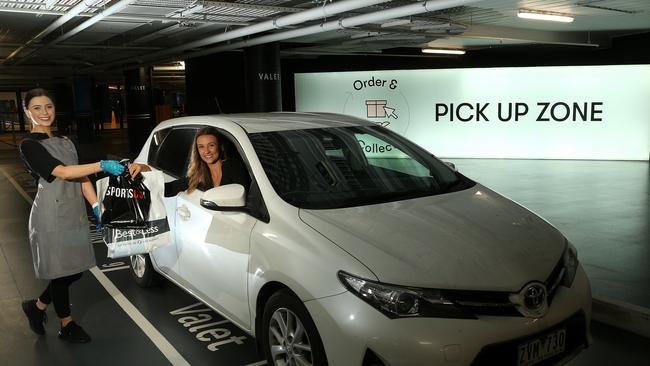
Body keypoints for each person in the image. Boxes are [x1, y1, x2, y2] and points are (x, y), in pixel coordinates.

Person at [18, 88, 125, 343]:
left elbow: (80, 176)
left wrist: (97, 205)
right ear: (27, 112)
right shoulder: (29, 145)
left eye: (48, 107)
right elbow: (62, 172)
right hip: (50, 216)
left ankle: (37, 307)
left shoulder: (67, 141)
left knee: (75, 269)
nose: (44, 113)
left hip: (74, 213)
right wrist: (102, 165)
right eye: (37, 108)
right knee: (60, 272)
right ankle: (67, 325)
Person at [128, 126, 250, 196]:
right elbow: (167, 190)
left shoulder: (233, 166)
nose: (206, 151)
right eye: (201, 147)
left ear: (219, 146)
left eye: (211, 145)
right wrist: (146, 170)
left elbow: (244, 197)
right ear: (197, 150)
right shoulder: (199, 175)